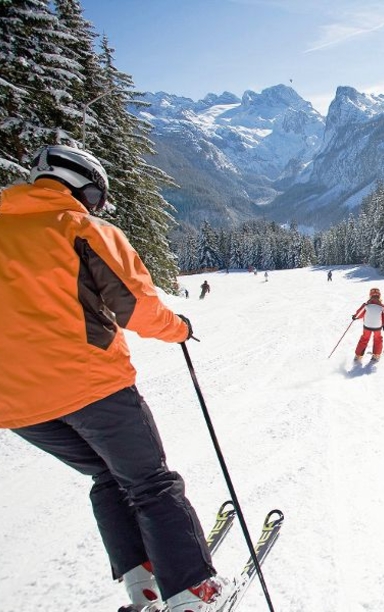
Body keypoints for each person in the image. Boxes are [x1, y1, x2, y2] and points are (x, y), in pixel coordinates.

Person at [0, 145, 225, 612]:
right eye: (96, 197)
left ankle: (142, 585)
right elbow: (137, 307)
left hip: (15, 406)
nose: (95, 206)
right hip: (92, 387)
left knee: (107, 475)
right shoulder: (81, 228)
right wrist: (180, 328)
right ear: (82, 185)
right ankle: (192, 592)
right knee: (150, 484)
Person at [352, 287, 384, 363]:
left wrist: (355, 317)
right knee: (378, 339)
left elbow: (360, 313)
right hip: (377, 327)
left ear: (370, 295)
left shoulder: (366, 305)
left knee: (364, 339)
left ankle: (358, 356)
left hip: (367, 326)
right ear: (379, 296)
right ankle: (376, 355)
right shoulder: (382, 307)